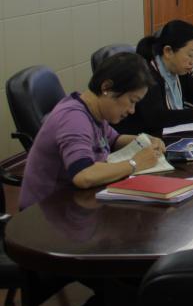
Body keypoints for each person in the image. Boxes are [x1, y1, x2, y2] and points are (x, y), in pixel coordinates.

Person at [19, 53, 166, 210]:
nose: (132, 110)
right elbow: (83, 175)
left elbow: (114, 140)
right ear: (106, 87)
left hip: (76, 202)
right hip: (47, 211)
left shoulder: (93, 110)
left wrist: (145, 141)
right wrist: (135, 163)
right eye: (131, 101)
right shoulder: (73, 118)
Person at [115, 21, 193, 137]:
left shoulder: (179, 73)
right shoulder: (148, 76)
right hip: (142, 140)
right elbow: (158, 118)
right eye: (190, 55)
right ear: (168, 51)